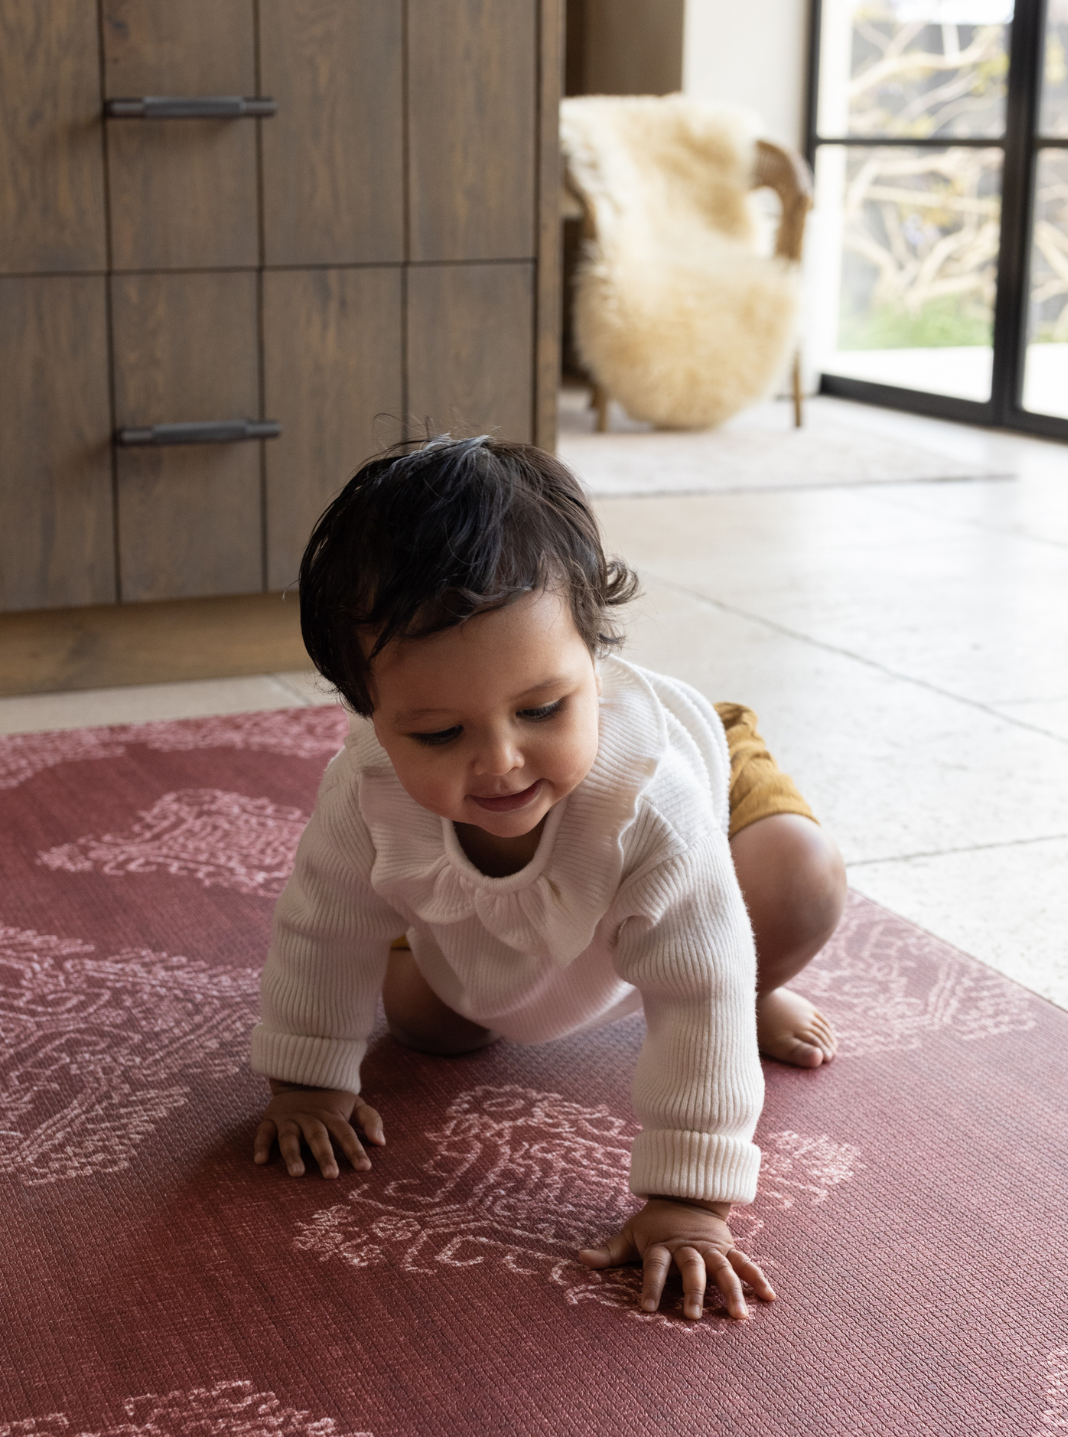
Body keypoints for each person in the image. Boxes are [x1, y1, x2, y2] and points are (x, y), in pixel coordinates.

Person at [251, 436, 846, 1322]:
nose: (499, 762)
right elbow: (323, 924)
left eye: (541, 708)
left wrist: (689, 1200)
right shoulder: (369, 786)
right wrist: (308, 1076)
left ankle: (764, 982)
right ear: (370, 713)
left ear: (594, 655)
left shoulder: (658, 796)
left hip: (707, 795)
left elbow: (701, 988)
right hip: (506, 893)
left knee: (791, 894)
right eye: (437, 734)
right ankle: (532, 929)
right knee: (426, 1020)